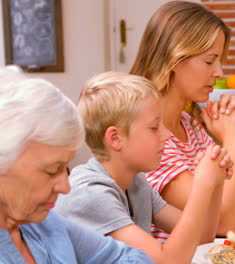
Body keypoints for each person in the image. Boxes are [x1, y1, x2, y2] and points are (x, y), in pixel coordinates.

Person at [55, 72, 233, 263]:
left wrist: (216, 182)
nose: (166, 135)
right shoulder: (90, 193)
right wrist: (203, 185)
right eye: (154, 127)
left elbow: (203, 236)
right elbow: (168, 261)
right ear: (115, 139)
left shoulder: (136, 182)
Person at [129, 1, 235, 240]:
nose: (220, 72)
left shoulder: (186, 124)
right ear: (174, 58)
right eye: (210, 61)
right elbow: (224, 224)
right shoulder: (149, 135)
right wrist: (231, 137)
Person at [0, 66, 153, 263]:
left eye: (65, 169)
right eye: (52, 171)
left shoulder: (44, 224)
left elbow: (132, 256)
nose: (65, 187)